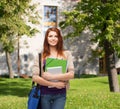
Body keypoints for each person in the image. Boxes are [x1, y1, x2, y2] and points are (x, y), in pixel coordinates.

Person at [32, 27, 74, 109]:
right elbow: (35, 77)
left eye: (56, 36)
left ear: (59, 38)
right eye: (50, 36)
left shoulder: (66, 54)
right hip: (44, 94)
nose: (53, 38)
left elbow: (71, 74)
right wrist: (54, 84)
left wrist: (52, 77)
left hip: (60, 94)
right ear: (46, 38)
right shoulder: (40, 56)